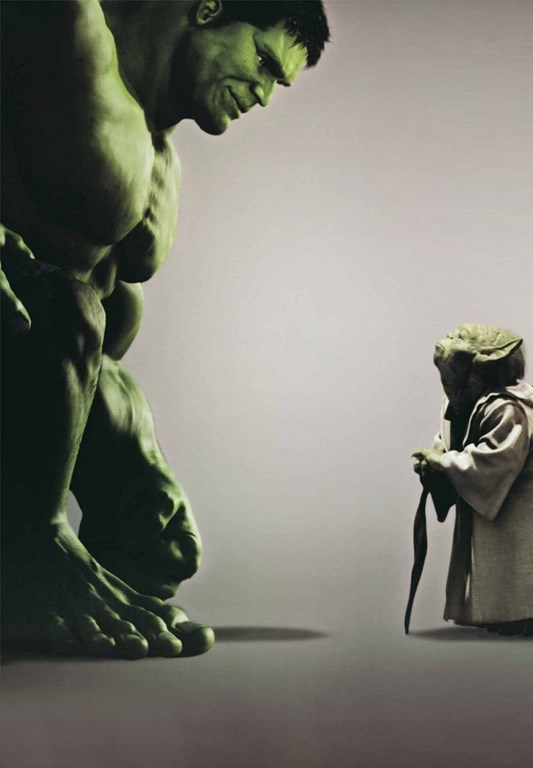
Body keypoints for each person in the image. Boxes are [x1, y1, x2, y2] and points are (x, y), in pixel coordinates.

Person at [0, 0, 329, 659]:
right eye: (263, 62)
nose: (263, 96)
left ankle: (43, 562)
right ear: (207, 8)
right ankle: (31, 549)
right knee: (66, 309)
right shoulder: (63, 24)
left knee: (155, 543)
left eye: (278, 83)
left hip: (38, 365)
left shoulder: (160, 155)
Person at [412, 325, 533, 637]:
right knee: (494, 553)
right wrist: (434, 461)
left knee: (524, 550)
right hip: (493, 489)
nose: (449, 339)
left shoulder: (510, 407)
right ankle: (500, 613)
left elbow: (495, 457)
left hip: (527, 490)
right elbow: (450, 440)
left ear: (481, 362)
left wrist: (444, 463)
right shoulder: (459, 401)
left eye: (460, 338)